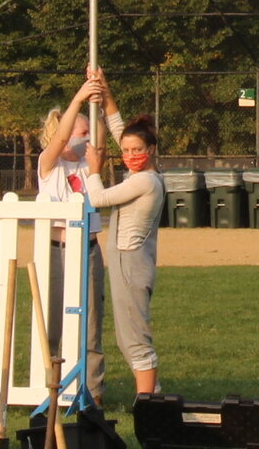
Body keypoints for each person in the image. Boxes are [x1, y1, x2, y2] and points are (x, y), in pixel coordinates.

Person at [37, 72, 124, 396]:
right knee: (54, 324)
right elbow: (59, 142)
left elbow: (100, 140)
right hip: (56, 249)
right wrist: (77, 98)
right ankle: (52, 388)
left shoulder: (90, 164)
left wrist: (98, 103)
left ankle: (93, 392)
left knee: (90, 327)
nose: (86, 139)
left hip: (88, 247)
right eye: (81, 132)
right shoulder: (49, 164)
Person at [82, 109, 164, 405]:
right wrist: (106, 98)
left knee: (134, 339)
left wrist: (94, 169)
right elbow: (120, 132)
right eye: (126, 151)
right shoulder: (138, 173)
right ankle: (152, 396)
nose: (130, 154)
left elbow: (98, 199)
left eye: (137, 150)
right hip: (124, 264)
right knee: (126, 337)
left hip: (131, 265)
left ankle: (149, 403)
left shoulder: (145, 181)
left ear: (151, 150)